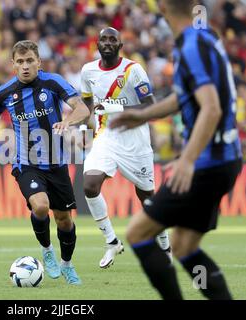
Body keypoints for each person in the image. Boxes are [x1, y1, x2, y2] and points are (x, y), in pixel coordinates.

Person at [109, 0, 242, 300]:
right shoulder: (203, 38)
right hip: (224, 159)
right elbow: (187, 95)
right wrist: (143, 115)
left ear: (163, 6)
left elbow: (211, 108)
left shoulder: (192, 45)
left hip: (208, 163)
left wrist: (187, 160)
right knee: (184, 247)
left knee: (138, 234)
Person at [0, 40, 90, 285]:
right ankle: (47, 250)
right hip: (26, 163)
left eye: (30, 60)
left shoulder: (52, 83)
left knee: (64, 219)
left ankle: (67, 264)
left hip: (57, 163)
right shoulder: (5, 92)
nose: (25, 66)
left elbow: (82, 109)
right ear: (13, 65)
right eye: (20, 62)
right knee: (41, 207)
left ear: (38, 62)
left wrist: (68, 121)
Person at [80, 27, 172, 269]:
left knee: (147, 197)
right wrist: (84, 131)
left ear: (120, 45)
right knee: (89, 185)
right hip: (106, 138)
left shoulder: (133, 70)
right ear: (97, 43)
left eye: (113, 39)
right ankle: (111, 241)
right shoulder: (88, 71)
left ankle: (164, 243)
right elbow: (87, 105)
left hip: (135, 141)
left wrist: (116, 109)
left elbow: (151, 107)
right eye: (103, 39)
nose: (107, 43)